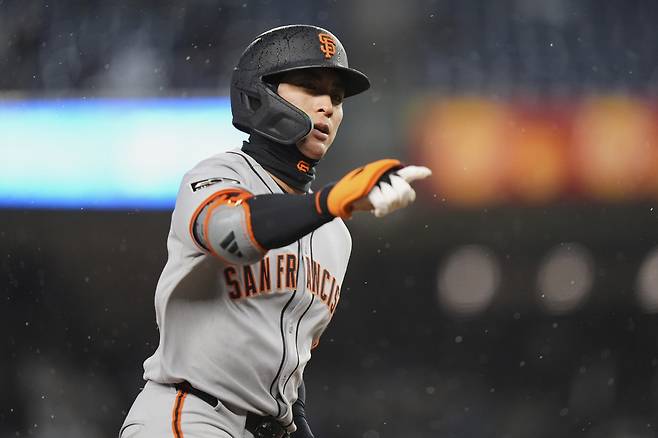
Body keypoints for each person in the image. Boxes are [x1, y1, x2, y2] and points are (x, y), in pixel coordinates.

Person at [119, 24, 431, 438]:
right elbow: (232, 232)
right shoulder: (218, 174)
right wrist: (328, 202)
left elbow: (289, 365)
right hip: (189, 414)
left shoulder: (335, 234)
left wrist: (296, 424)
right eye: (310, 87)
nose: (327, 106)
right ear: (259, 93)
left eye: (337, 97)